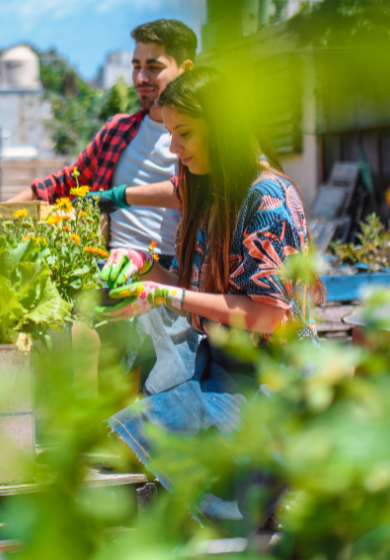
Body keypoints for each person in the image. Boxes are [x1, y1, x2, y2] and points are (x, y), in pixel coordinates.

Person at [96, 67, 322, 530]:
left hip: (274, 383)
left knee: (181, 467)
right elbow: (196, 289)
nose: (174, 148)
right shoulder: (209, 190)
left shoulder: (267, 199)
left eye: (185, 133)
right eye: (171, 134)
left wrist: (164, 292)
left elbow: (266, 317)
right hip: (222, 364)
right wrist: (141, 265)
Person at [9, 19, 197, 393]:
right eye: (135, 65)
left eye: (154, 66)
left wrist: (119, 196)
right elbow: (66, 183)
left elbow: (192, 191)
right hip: (106, 265)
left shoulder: (196, 138)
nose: (141, 77)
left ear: (185, 69)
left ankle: (110, 431)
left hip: (166, 271)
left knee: (113, 339)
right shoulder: (119, 130)